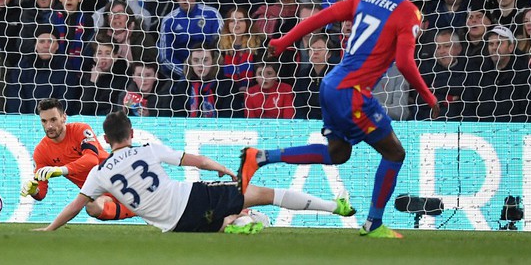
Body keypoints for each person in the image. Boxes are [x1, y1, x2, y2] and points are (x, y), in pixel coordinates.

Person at [240, 0, 438, 239]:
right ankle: (374, 223)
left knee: (338, 153)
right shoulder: (409, 13)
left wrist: (283, 42)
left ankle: (259, 157)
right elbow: (405, 64)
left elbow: (320, 17)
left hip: (330, 84)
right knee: (395, 153)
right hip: (353, 92)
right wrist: (430, 98)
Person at [35, 110, 356, 233]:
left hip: (172, 225)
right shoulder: (147, 149)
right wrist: (225, 168)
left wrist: (48, 230)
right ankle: (334, 208)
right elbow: (197, 161)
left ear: (105, 139)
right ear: (130, 134)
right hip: (188, 198)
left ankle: (239, 221)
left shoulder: (99, 174)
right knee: (263, 195)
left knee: (222, 219)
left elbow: (75, 207)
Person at [20, 98, 135, 222]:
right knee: (92, 207)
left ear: (64, 117)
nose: (49, 126)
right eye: (44, 121)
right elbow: (41, 193)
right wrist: (34, 190)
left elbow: (92, 160)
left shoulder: (80, 130)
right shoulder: (41, 151)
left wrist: (61, 170)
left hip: (121, 180)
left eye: (53, 120)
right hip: (102, 194)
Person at [158, 0, 223, 78]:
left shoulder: (212, 15)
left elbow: (221, 48)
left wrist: (208, 71)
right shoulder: (169, 20)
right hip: (181, 76)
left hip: (211, 73)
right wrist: (187, 74)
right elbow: (166, 58)